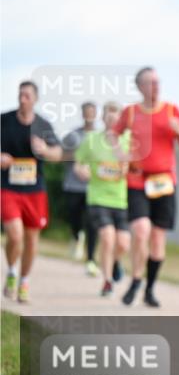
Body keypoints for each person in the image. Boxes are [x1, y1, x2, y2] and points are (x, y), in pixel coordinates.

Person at [112, 67, 179, 307]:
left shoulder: (171, 111)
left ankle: (149, 288)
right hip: (137, 179)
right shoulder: (131, 112)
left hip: (164, 182)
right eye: (150, 83)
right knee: (141, 230)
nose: (155, 87)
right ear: (140, 87)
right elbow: (113, 135)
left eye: (157, 82)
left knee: (157, 239)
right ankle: (136, 279)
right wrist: (120, 154)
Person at [1, 81, 63, 303]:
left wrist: (46, 150)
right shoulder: (5, 121)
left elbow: (58, 153)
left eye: (27, 95)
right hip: (8, 188)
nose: (22, 98)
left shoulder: (43, 125)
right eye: (20, 94)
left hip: (35, 190)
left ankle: (24, 280)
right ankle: (11, 271)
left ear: (35, 99)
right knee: (15, 235)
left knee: (31, 238)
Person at [73, 102, 132, 297]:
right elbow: (78, 163)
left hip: (120, 199)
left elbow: (135, 166)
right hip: (97, 197)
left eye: (116, 115)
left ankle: (115, 262)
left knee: (123, 243)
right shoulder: (91, 140)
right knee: (107, 237)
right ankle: (107, 281)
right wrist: (82, 171)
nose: (112, 118)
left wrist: (128, 167)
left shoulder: (128, 140)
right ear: (103, 117)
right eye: (108, 114)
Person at [61, 101, 100, 274]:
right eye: (87, 112)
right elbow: (60, 155)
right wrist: (78, 158)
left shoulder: (102, 137)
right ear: (82, 114)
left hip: (94, 187)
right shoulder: (73, 136)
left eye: (92, 112)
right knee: (73, 216)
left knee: (93, 222)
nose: (89, 115)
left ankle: (90, 259)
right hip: (73, 184)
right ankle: (77, 235)